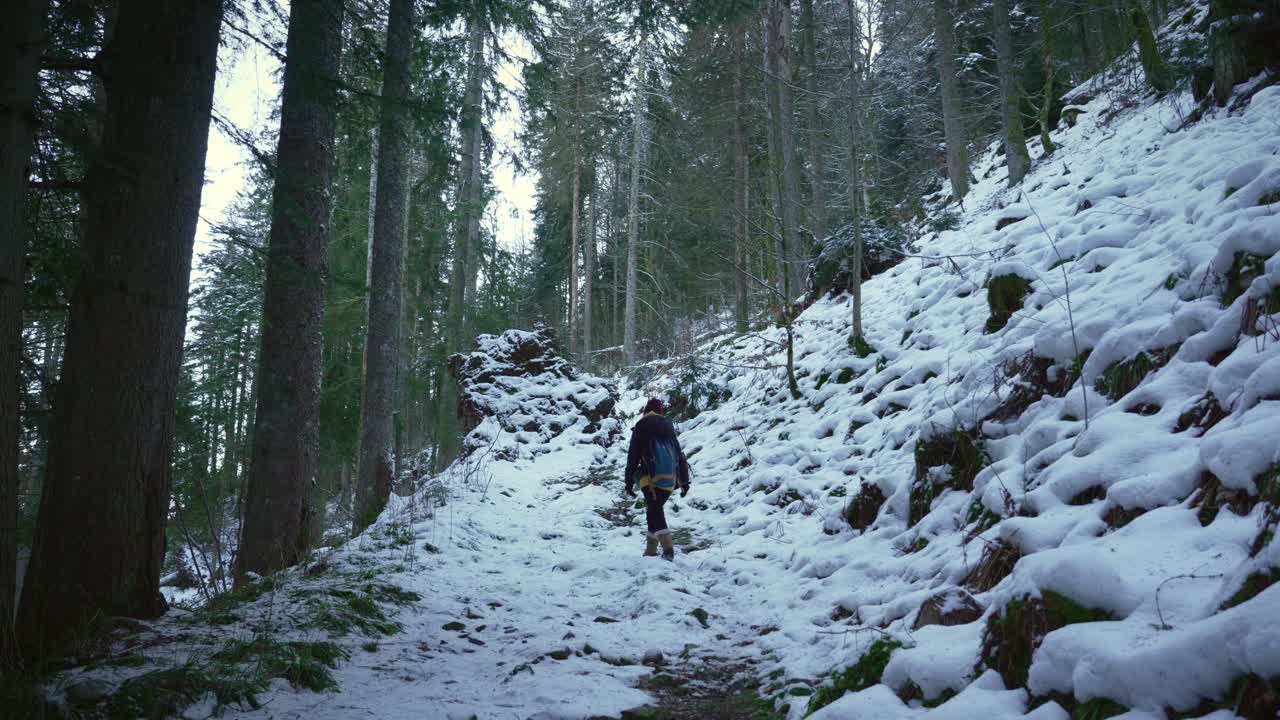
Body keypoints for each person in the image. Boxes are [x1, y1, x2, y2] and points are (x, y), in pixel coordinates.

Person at [624, 398, 691, 560]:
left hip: (650, 479)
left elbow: (632, 458)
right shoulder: (668, 426)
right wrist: (685, 481)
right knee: (653, 509)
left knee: (654, 509)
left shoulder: (641, 426)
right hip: (670, 479)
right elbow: (679, 455)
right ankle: (651, 551)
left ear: (645, 411)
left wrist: (629, 482)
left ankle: (668, 549)